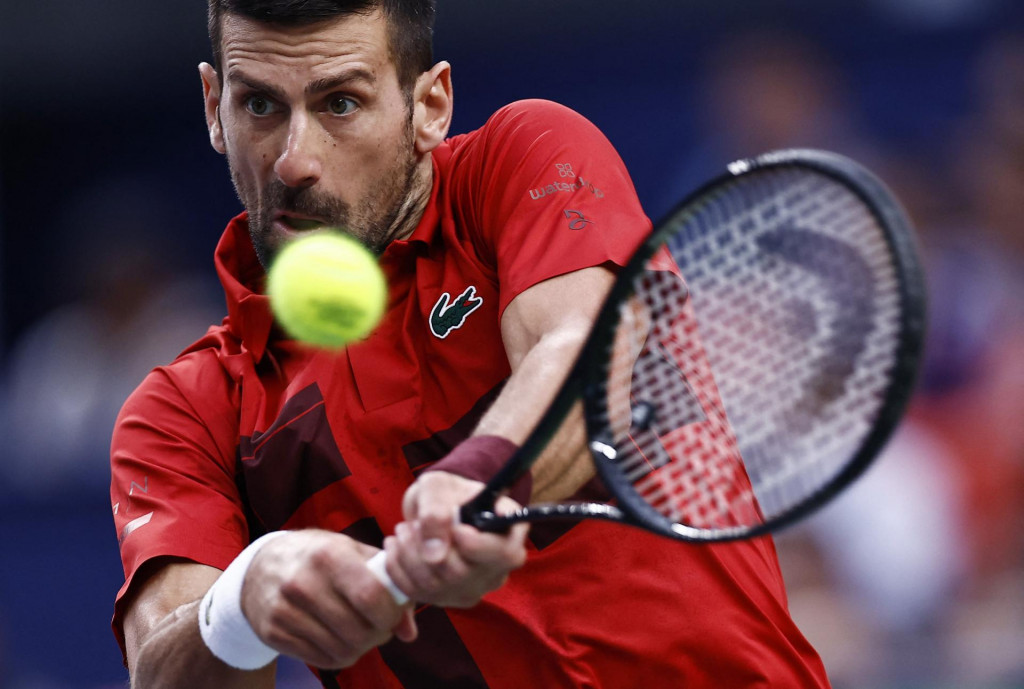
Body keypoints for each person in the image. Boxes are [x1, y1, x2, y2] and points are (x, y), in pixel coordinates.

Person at [110, 2, 832, 687]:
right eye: (260, 106)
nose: (295, 161)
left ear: (429, 106)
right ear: (214, 108)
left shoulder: (523, 160)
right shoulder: (186, 410)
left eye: (341, 103)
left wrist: (481, 476)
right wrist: (240, 602)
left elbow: (582, 353)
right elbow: (162, 662)